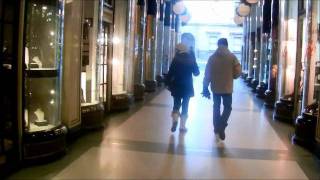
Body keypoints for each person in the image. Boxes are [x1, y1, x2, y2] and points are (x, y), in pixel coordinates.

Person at [202, 38, 241, 141]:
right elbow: (237, 72)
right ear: (227, 45)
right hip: (227, 88)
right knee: (228, 107)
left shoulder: (212, 58)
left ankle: (216, 128)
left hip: (215, 88)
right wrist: (232, 76)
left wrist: (205, 87)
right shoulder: (232, 57)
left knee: (216, 107)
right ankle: (222, 126)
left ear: (218, 45)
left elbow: (207, 74)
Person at [166, 43, 200, 132]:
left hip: (177, 85)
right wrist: (194, 62)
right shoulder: (191, 59)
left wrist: (167, 83)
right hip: (187, 86)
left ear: (179, 50)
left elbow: (170, 73)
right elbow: (197, 73)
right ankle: (182, 126)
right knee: (185, 105)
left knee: (176, 104)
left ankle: (175, 119)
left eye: (176, 49)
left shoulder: (176, 59)